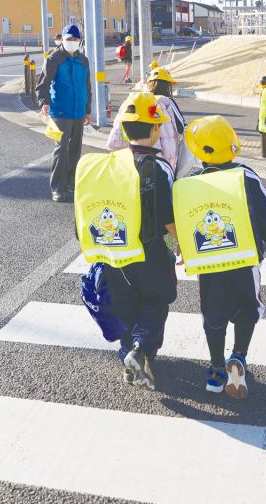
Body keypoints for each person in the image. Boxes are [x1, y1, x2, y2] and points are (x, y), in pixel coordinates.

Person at [173, 115, 266, 398]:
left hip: (210, 263)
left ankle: (216, 368)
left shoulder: (192, 183)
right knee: (247, 308)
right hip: (245, 260)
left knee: (213, 313)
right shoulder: (246, 176)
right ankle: (238, 356)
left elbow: (184, 223)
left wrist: (183, 250)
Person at [75, 91, 177, 390]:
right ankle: (140, 350)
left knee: (125, 307)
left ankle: (128, 359)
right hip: (149, 251)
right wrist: (182, 242)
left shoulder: (108, 166)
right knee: (156, 301)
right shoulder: (159, 168)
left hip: (113, 252)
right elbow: (167, 214)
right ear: (156, 129)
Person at [36, 24, 91, 202]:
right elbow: (42, 83)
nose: (72, 42)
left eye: (75, 40)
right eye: (69, 39)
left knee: (75, 150)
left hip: (78, 112)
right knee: (61, 149)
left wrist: (87, 110)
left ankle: (70, 183)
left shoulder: (83, 60)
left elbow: (86, 86)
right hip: (60, 110)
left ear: (79, 41)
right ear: (63, 40)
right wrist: (43, 102)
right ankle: (57, 188)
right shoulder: (54, 58)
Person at [107, 66, 184, 171]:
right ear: (168, 86)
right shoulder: (167, 103)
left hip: (128, 160)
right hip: (159, 163)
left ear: (149, 84)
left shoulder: (132, 101)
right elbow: (181, 128)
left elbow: (114, 140)